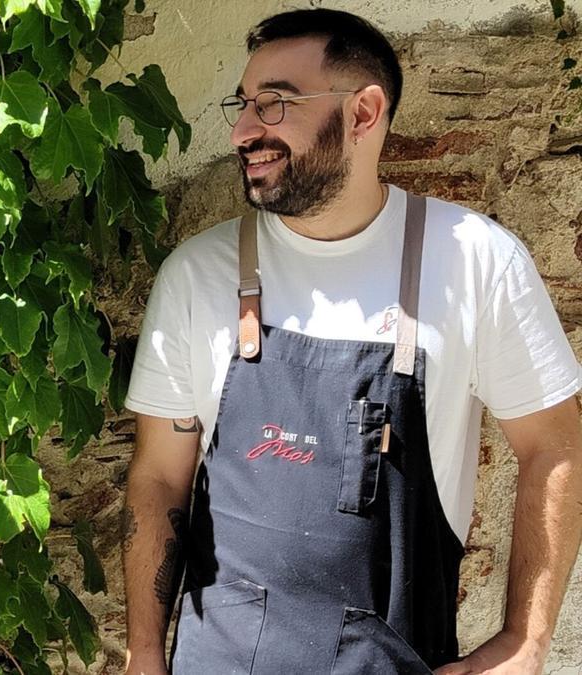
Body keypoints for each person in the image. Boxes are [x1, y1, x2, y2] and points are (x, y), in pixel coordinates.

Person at [121, 9, 582, 675]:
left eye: (274, 103)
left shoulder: (474, 262)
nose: (243, 130)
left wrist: (526, 643)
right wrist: (142, 655)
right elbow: (159, 476)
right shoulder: (197, 275)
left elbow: (557, 444)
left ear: (364, 113)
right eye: (243, 104)